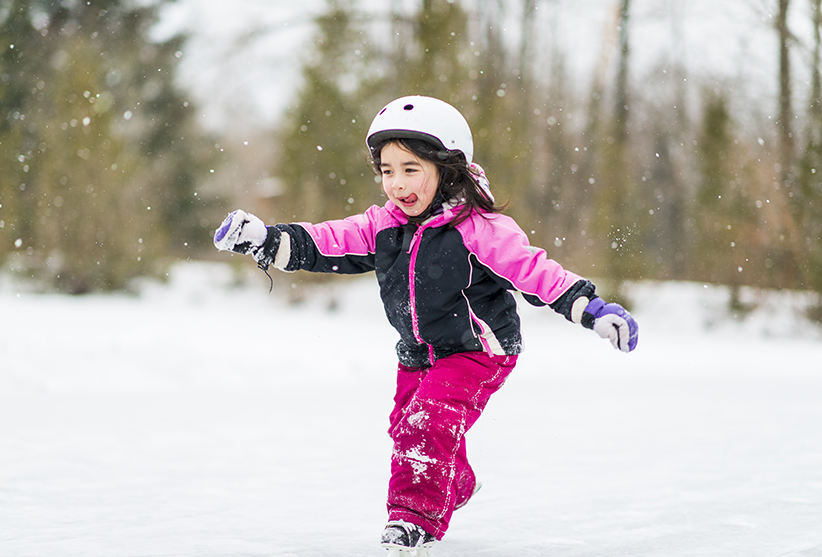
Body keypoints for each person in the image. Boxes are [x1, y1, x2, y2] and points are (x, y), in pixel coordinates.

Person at [213, 95, 638, 555]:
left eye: (410, 168)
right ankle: (452, 482)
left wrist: (592, 309)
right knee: (405, 427)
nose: (396, 184)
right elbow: (328, 241)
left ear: (448, 168)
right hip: (418, 353)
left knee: (426, 423)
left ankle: (412, 521)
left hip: (478, 349)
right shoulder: (383, 224)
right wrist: (267, 240)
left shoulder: (481, 229)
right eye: (387, 171)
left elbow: (537, 273)